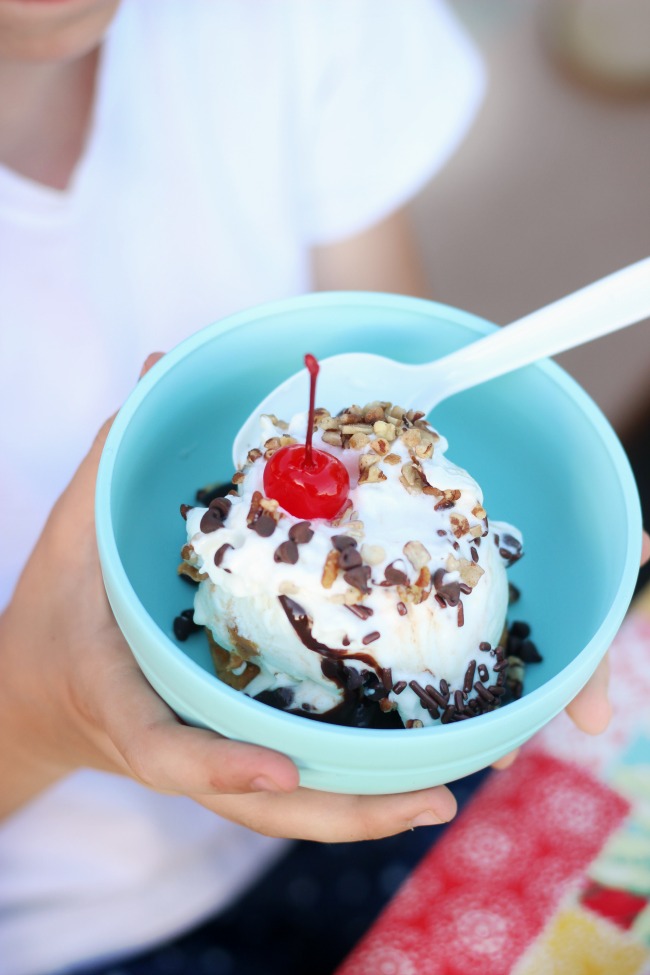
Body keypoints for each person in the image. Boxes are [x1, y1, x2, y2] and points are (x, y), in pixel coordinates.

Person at [1, 2, 647, 973]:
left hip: (411, 764)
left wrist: (483, 588)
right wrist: (37, 713)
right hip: (83, 923)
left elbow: (388, 389)